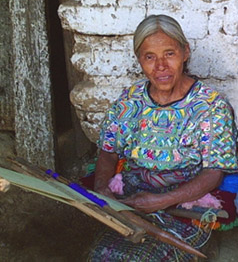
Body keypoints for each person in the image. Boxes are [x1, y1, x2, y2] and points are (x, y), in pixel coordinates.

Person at [89, 14, 238, 261]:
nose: (160, 66)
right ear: (139, 60)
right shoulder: (130, 100)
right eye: (150, 57)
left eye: (169, 54)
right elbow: (108, 150)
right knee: (102, 256)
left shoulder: (212, 106)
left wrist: (161, 201)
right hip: (129, 202)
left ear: (185, 52)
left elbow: (214, 172)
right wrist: (103, 189)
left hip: (185, 206)